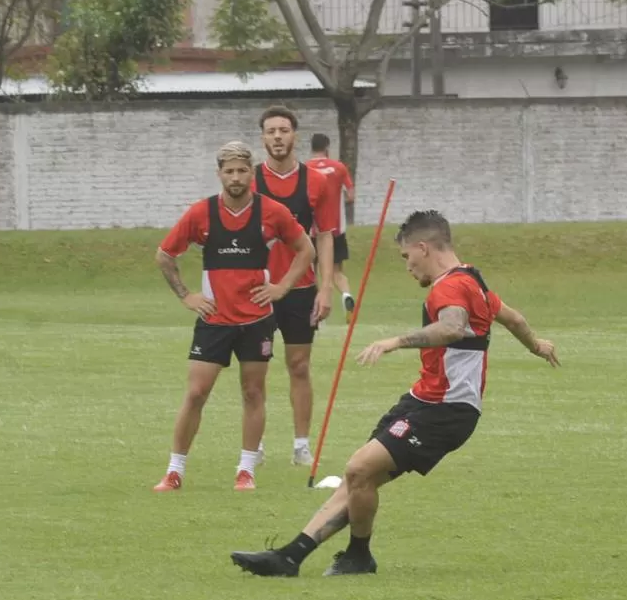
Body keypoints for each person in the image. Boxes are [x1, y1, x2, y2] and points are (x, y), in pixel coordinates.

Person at [230, 210, 559, 575]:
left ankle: (356, 555)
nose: (407, 266)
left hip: (444, 410)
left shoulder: (450, 286)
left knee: (358, 468)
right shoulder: (473, 281)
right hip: (423, 400)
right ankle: (291, 557)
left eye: (406, 257)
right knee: (359, 477)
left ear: (423, 247)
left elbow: (453, 327)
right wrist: (536, 345)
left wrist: (395, 341)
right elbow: (513, 318)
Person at [153, 141, 316, 492]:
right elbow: (165, 255)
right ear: (219, 175)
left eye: (243, 170)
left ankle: (246, 470)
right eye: (229, 171)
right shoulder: (201, 214)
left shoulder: (272, 212)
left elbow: (307, 249)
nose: (236, 177)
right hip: (213, 321)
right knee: (196, 393)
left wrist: (282, 288)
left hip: (256, 321)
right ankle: (174, 471)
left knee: (253, 392)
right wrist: (186, 295)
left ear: (252, 174)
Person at [251, 106, 339, 468]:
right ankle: (252, 448)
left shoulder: (317, 182)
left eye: (283, 130)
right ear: (263, 138)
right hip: (257, 290)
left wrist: (326, 288)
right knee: (254, 369)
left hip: (302, 290)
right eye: (270, 131)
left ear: (295, 136)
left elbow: (327, 237)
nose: (277, 137)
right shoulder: (249, 180)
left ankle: (301, 445)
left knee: (299, 366)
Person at [306, 133, 356, 324]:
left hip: (312, 229)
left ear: (311, 147)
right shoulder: (339, 167)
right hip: (336, 229)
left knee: (312, 270)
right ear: (327, 147)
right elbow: (350, 195)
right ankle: (346, 295)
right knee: (336, 271)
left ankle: (315, 311)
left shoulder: (305, 169)